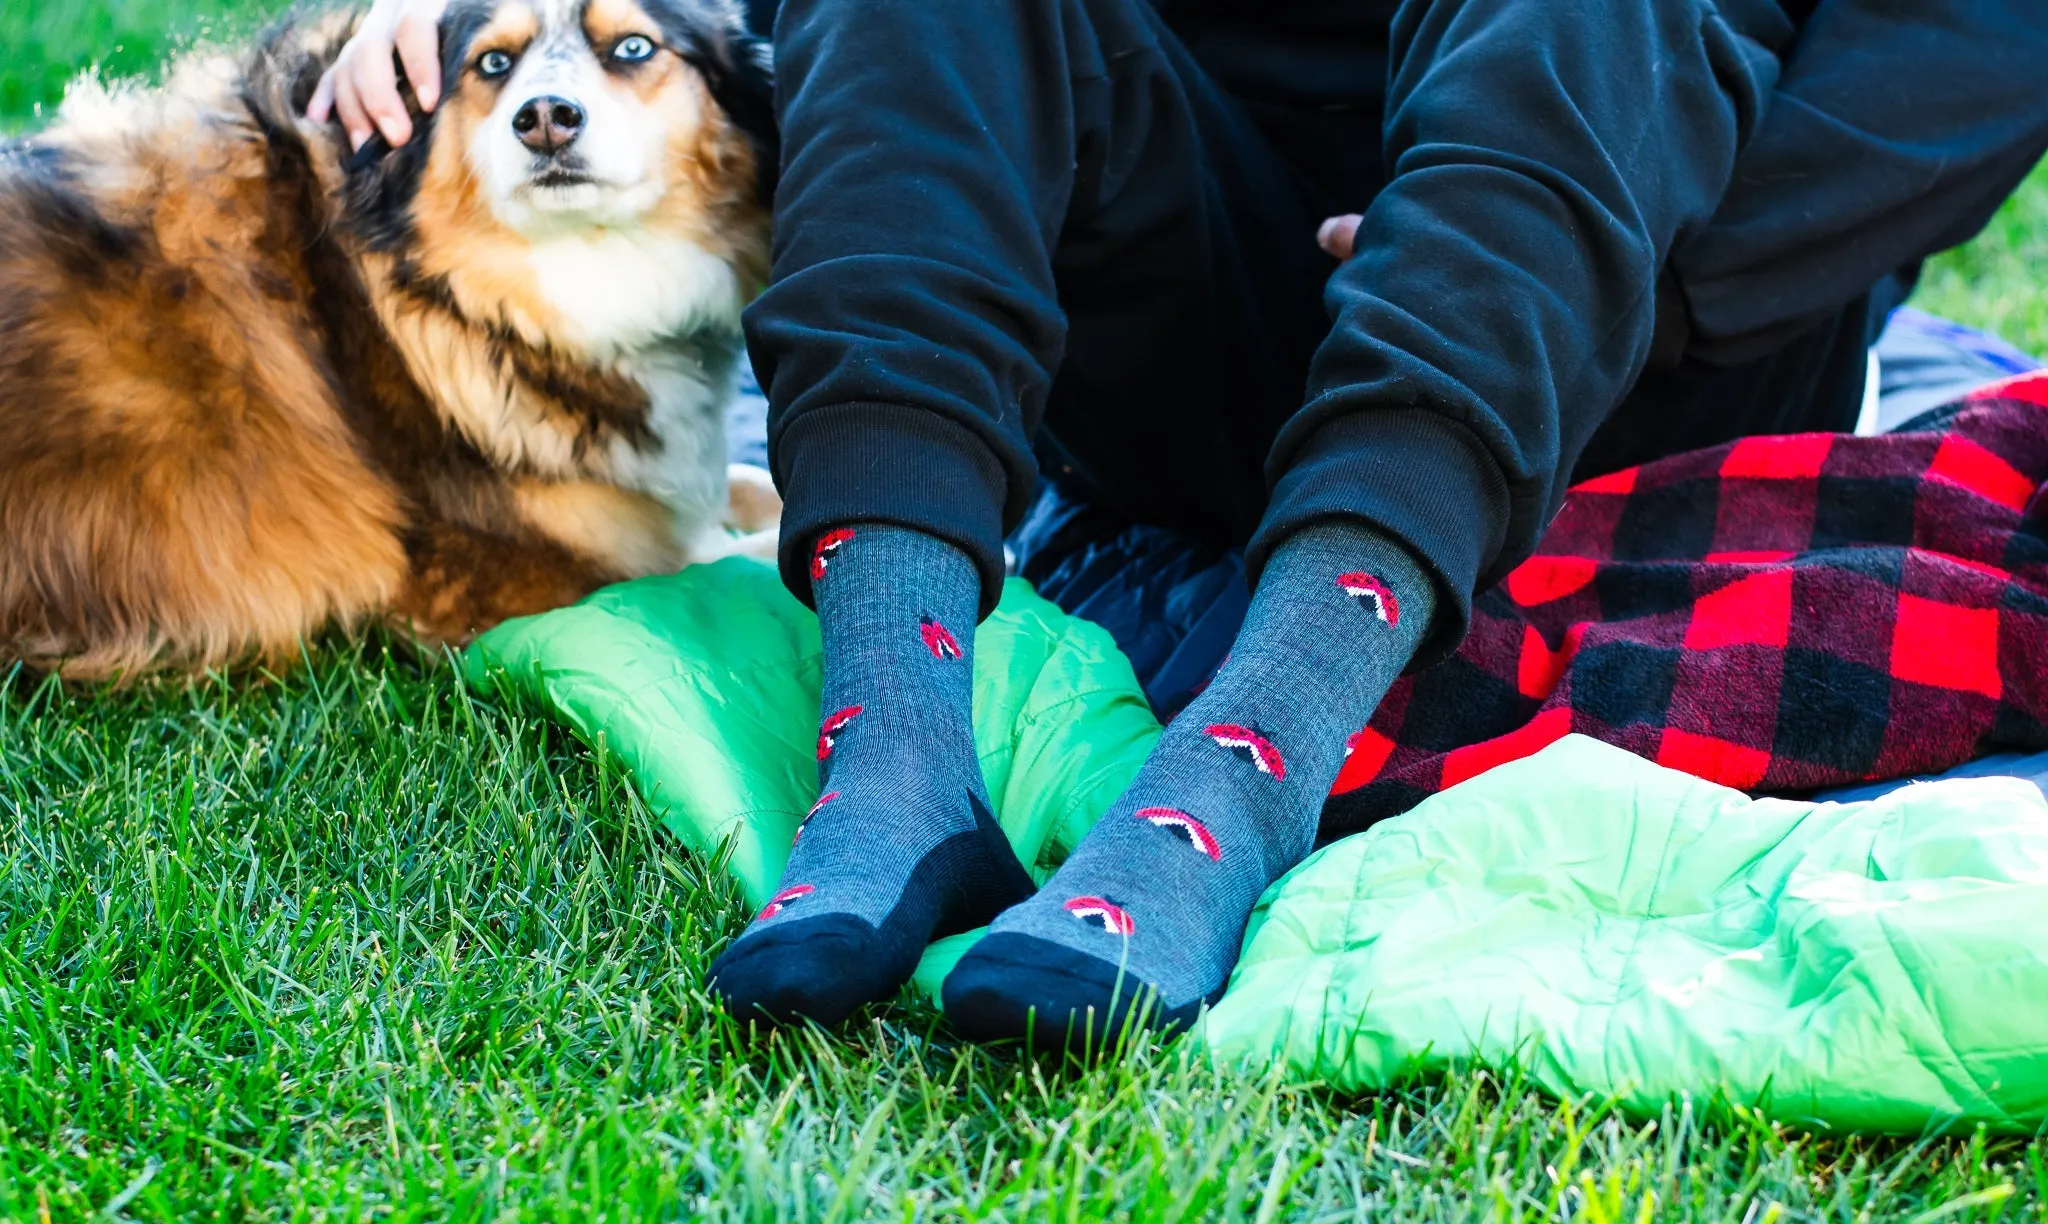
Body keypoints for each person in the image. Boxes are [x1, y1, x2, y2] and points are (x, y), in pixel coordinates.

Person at [316, 0, 2048, 1047]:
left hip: (1611, 324)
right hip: (1190, 295)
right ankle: (898, 755)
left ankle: (1243, 767)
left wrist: (1656, 270)